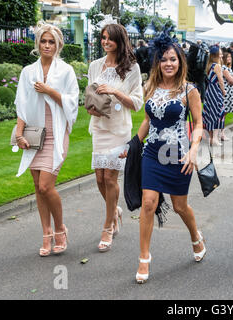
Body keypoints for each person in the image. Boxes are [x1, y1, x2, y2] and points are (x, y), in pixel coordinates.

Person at [125, 32, 205, 284]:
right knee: (148, 202)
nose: (168, 63)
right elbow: (148, 121)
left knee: (180, 206)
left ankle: (195, 236)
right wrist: (134, 144)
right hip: (152, 154)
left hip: (179, 155)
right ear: (157, 62)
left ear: (180, 61)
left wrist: (193, 150)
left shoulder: (189, 90)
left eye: (173, 59)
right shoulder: (151, 87)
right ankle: (144, 257)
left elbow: (200, 124)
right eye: (163, 60)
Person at [14, 22, 79, 256]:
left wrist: (49, 90)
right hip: (34, 133)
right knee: (37, 188)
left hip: (57, 131)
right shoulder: (27, 72)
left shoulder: (66, 71)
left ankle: (60, 228)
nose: (47, 45)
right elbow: (21, 105)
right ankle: (46, 233)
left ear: (58, 44)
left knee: (46, 185)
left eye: (52, 41)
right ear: (38, 43)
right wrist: (20, 134)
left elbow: (72, 103)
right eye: (44, 41)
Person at [87, 23, 143, 252]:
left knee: (110, 178)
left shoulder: (132, 68)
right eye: (103, 37)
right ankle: (115, 211)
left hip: (119, 129)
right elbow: (90, 93)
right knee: (100, 179)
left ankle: (108, 226)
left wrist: (114, 91)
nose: (105, 42)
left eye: (110, 38)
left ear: (120, 41)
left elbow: (137, 103)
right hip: (99, 126)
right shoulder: (95, 66)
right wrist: (91, 107)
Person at [203, 45, 226, 146]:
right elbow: (221, 81)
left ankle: (211, 138)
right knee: (218, 113)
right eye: (220, 53)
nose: (222, 54)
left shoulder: (209, 65)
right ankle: (215, 139)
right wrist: (224, 91)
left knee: (210, 113)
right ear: (216, 55)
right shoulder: (217, 66)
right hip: (216, 92)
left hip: (209, 92)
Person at [220, 50, 233, 141]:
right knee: (222, 114)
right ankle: (221, 134)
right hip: (226, 94)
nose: (229, 59)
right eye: (228, 57)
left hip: (229, 93)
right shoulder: (224, 68)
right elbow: (232, 80)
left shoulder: (227, 68)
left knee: (223, 114)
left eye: (230, 57)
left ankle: (221, 133)